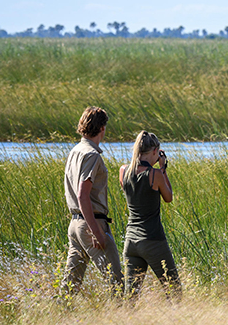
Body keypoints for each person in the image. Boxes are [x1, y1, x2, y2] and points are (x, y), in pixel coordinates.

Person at [61, 106, 124, 295]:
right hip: (91, 224)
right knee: (117, 283)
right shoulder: (92, 155)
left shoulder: (75, 151)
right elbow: (82, 195)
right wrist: (97, 232)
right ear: (102, 128)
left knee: (69, 286)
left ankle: (57, 314)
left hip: (75, 224)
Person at [119, 130, 180, 299]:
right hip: (152, 239)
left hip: (131, 241)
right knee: (174, 291)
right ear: (154, 151)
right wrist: (162, 167)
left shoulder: (123, 171)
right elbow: (168, 197)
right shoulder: (155, 175)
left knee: (130, 296)